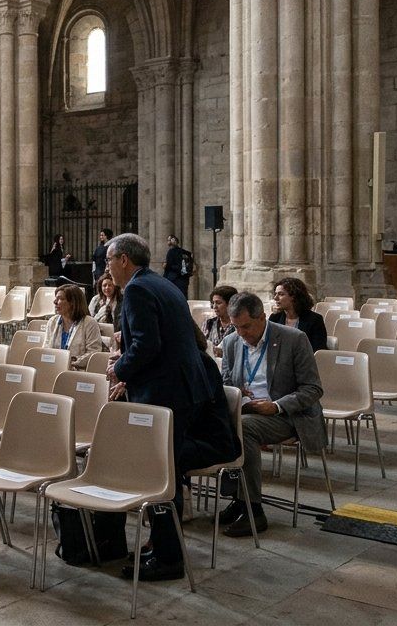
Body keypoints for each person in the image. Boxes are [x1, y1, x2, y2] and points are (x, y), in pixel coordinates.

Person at [104, 233, 236, 582]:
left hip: (164, 395)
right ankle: (161, 543)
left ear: (124, 260)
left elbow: (147, 346)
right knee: (167, 472)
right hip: (181, 389)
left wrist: (120, 368)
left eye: (108, 260)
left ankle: (169, 558)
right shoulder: (163, 285)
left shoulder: (136, 289)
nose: (107, 268)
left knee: (160, 474)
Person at [219, 291, 325, 537]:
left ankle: (253, 510)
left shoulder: (294, 339)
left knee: (243, 428)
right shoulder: (233, 341)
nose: (242, 333)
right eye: (236, 327)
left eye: (246, 326)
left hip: (287, 415)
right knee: (219, 423)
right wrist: (238, 394)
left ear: (262, 318)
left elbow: (313, 389)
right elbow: (225, 381)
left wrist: (276, 405)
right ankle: (238, 498)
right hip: (247, 410)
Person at [43, 284, 102, 370]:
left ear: (73, 303)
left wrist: (71, 362)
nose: (55, 302)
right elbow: (46, 348)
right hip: (54, 369)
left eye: (60, 299)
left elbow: (94, 352)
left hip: (79, 372)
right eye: (56, 298)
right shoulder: (52, 322)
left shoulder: (89, 323)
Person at [270, 276, 327, 351]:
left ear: (293, 296)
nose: (275, 298)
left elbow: (317, 350)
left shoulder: (314, 320)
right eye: (275, 294)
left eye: (281, 294)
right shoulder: (275, 318)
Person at [203, 284, 239, 353]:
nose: (214, 307)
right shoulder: (209, 323)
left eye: (218, 303)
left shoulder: (239, 325)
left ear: (230, 304)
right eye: (213, 303)